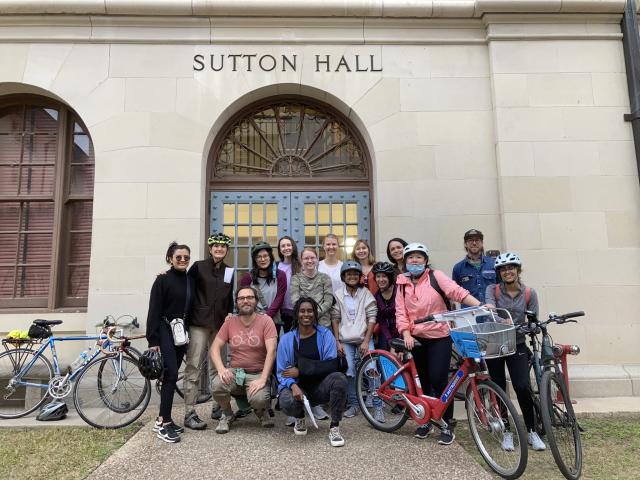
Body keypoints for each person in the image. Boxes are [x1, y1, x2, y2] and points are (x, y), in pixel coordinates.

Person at [396, 242, 481, 445]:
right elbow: (401, 312)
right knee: (423, 382)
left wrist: (479, 305)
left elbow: (457, 292)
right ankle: (426, 421)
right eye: (410, 258)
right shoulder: (401, 283)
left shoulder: (436, 276)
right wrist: (406, 333)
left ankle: (446, 423)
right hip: (416, 339)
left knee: (439, 380)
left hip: (439, 336)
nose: (414, 261)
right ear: (405, 262)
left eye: (418, 257)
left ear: (425, 260)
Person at [485, 252, 546, 452]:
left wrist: (533, 326)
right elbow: (491, 312)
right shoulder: (492, 290)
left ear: (518, 270)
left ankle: (531, 431)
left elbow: (533, 321)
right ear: (499, 273)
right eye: (503, 269)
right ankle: (507, 432)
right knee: (499, 387)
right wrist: (505, 321)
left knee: (522, 386)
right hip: (495, 344)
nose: (507, 271)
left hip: (517, 344)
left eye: (511, 268)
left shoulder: (529, 293)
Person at [277, 297, 348, 447]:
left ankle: (334, 427)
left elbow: (331, 366)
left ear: (315, 314)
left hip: (320, 387)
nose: (306, 314)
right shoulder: (287, 339)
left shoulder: (325, 335)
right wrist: (292, 385)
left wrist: (301, 370)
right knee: (286, 400)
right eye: (302, 311)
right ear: (296, 314)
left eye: (310, 311)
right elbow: (282, 372)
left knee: (339, 379)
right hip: (298, 389)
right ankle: (300, 416)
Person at [183, 232, 234, 430]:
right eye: (216, 246)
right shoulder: (198, 267)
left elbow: (229, 296)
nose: (219, 249)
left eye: (223, 246)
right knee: (194, 365)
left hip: (220, 324)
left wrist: (230, 312)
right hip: (198, 322)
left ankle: (218, 406)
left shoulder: (229, 271)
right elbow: (185, 287)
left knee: (217, 366)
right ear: (210, 249)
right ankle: (189, 411)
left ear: (226, 250)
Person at [210, 286, 278, 434]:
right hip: (236, 372)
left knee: (259, 399)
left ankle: (261, 411)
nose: (245, 301)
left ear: (256, 301)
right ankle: (227, 413)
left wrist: (263, 379)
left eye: (249, 297)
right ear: (236, 302)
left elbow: (271, 351)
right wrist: (222, 369)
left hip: (258, 372)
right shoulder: (230, 322)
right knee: (216, 385)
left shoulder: (266, 321)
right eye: (241, 298)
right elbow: (214, 348)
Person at [146, 242, 195, 443]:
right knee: (172, 373)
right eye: (178, 257)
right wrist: (153, 339)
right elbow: (154, 310)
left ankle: (162, 419)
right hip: (165, 329)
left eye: (186, 257)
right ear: (170, 259)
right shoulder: (162, 280)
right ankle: (164, 424)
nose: (182, 260)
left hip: (180, 332)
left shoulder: (190, 280)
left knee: (170, 376)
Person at [289, 247, 335, 421]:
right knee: (298, 364)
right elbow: (295, 300)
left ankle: (317, 405)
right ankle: (296, 405)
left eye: (312, 258)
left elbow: (328, 299)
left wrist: (314, 315)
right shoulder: (296, 279)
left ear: (317, 259)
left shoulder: (324, 278)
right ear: (301, 260)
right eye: (306, 258)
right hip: (301, 328)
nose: (309, 261)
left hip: (322, 327)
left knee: (319, 365)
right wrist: (307, 316)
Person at [331, 260, 380, 419]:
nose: (352, 277)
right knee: (349, 370)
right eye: (348, 274)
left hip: (363, 337)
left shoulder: (365, 293)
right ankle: (354, 404)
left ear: (359, 276)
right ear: (343, 276)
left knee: (372, 369)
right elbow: (335, 318)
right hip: (345, 339)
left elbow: (372, 317)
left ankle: (377, 405)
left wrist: (366, 340)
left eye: (355, 274)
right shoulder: (338, 294)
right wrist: (337, 341)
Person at [240, 241, 287, 331]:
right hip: (252, 321)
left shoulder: (280, 275)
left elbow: (279, 298)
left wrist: (267, 316)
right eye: (259, 257)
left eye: (265, 256)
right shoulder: (248, 277)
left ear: (270, 257)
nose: (262, 259)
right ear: (255, 260)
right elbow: (242, 298)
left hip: (272, 321)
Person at [451, 229, 496, 304]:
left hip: (492, 312)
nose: (474, 243)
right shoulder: (458, 268)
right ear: (465, 244)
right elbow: (456, 292)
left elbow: (501, 288)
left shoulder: (493, 264)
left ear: (482, 243)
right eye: (470, 240)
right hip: (469, 314)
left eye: (477, 240)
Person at [372, 262, 400, 351]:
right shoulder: (376, 297)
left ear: (390, 278)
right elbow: (382, 321)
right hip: (386, 332)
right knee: (384, 356)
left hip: (402, 331)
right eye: (378, 276)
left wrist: (398, 343)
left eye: (384, 276)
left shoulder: (399, 292)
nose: (380, 279)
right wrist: (390, 341)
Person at [277, 236, 302, 333]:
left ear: (293, 246)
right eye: (283, 246)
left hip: (295, 310)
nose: (286, 248)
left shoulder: (300, 266)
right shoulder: (276, 266)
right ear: (279, 249)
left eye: (288, 245)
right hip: (280, 310)